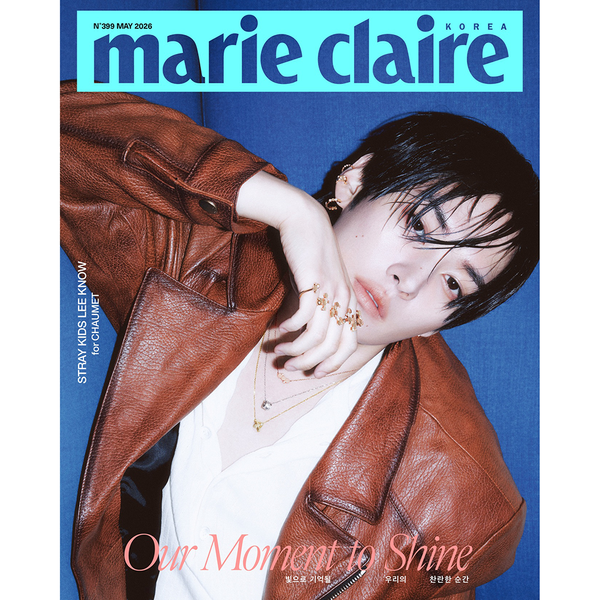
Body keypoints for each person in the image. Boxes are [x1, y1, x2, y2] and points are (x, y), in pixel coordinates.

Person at [60, 80, 538, 600]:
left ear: (441, 322)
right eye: (419, 224)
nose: (411, 279)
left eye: (453, 284)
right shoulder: (198, 258)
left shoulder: (455, 496)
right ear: (354, 183)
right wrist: (294, 211)